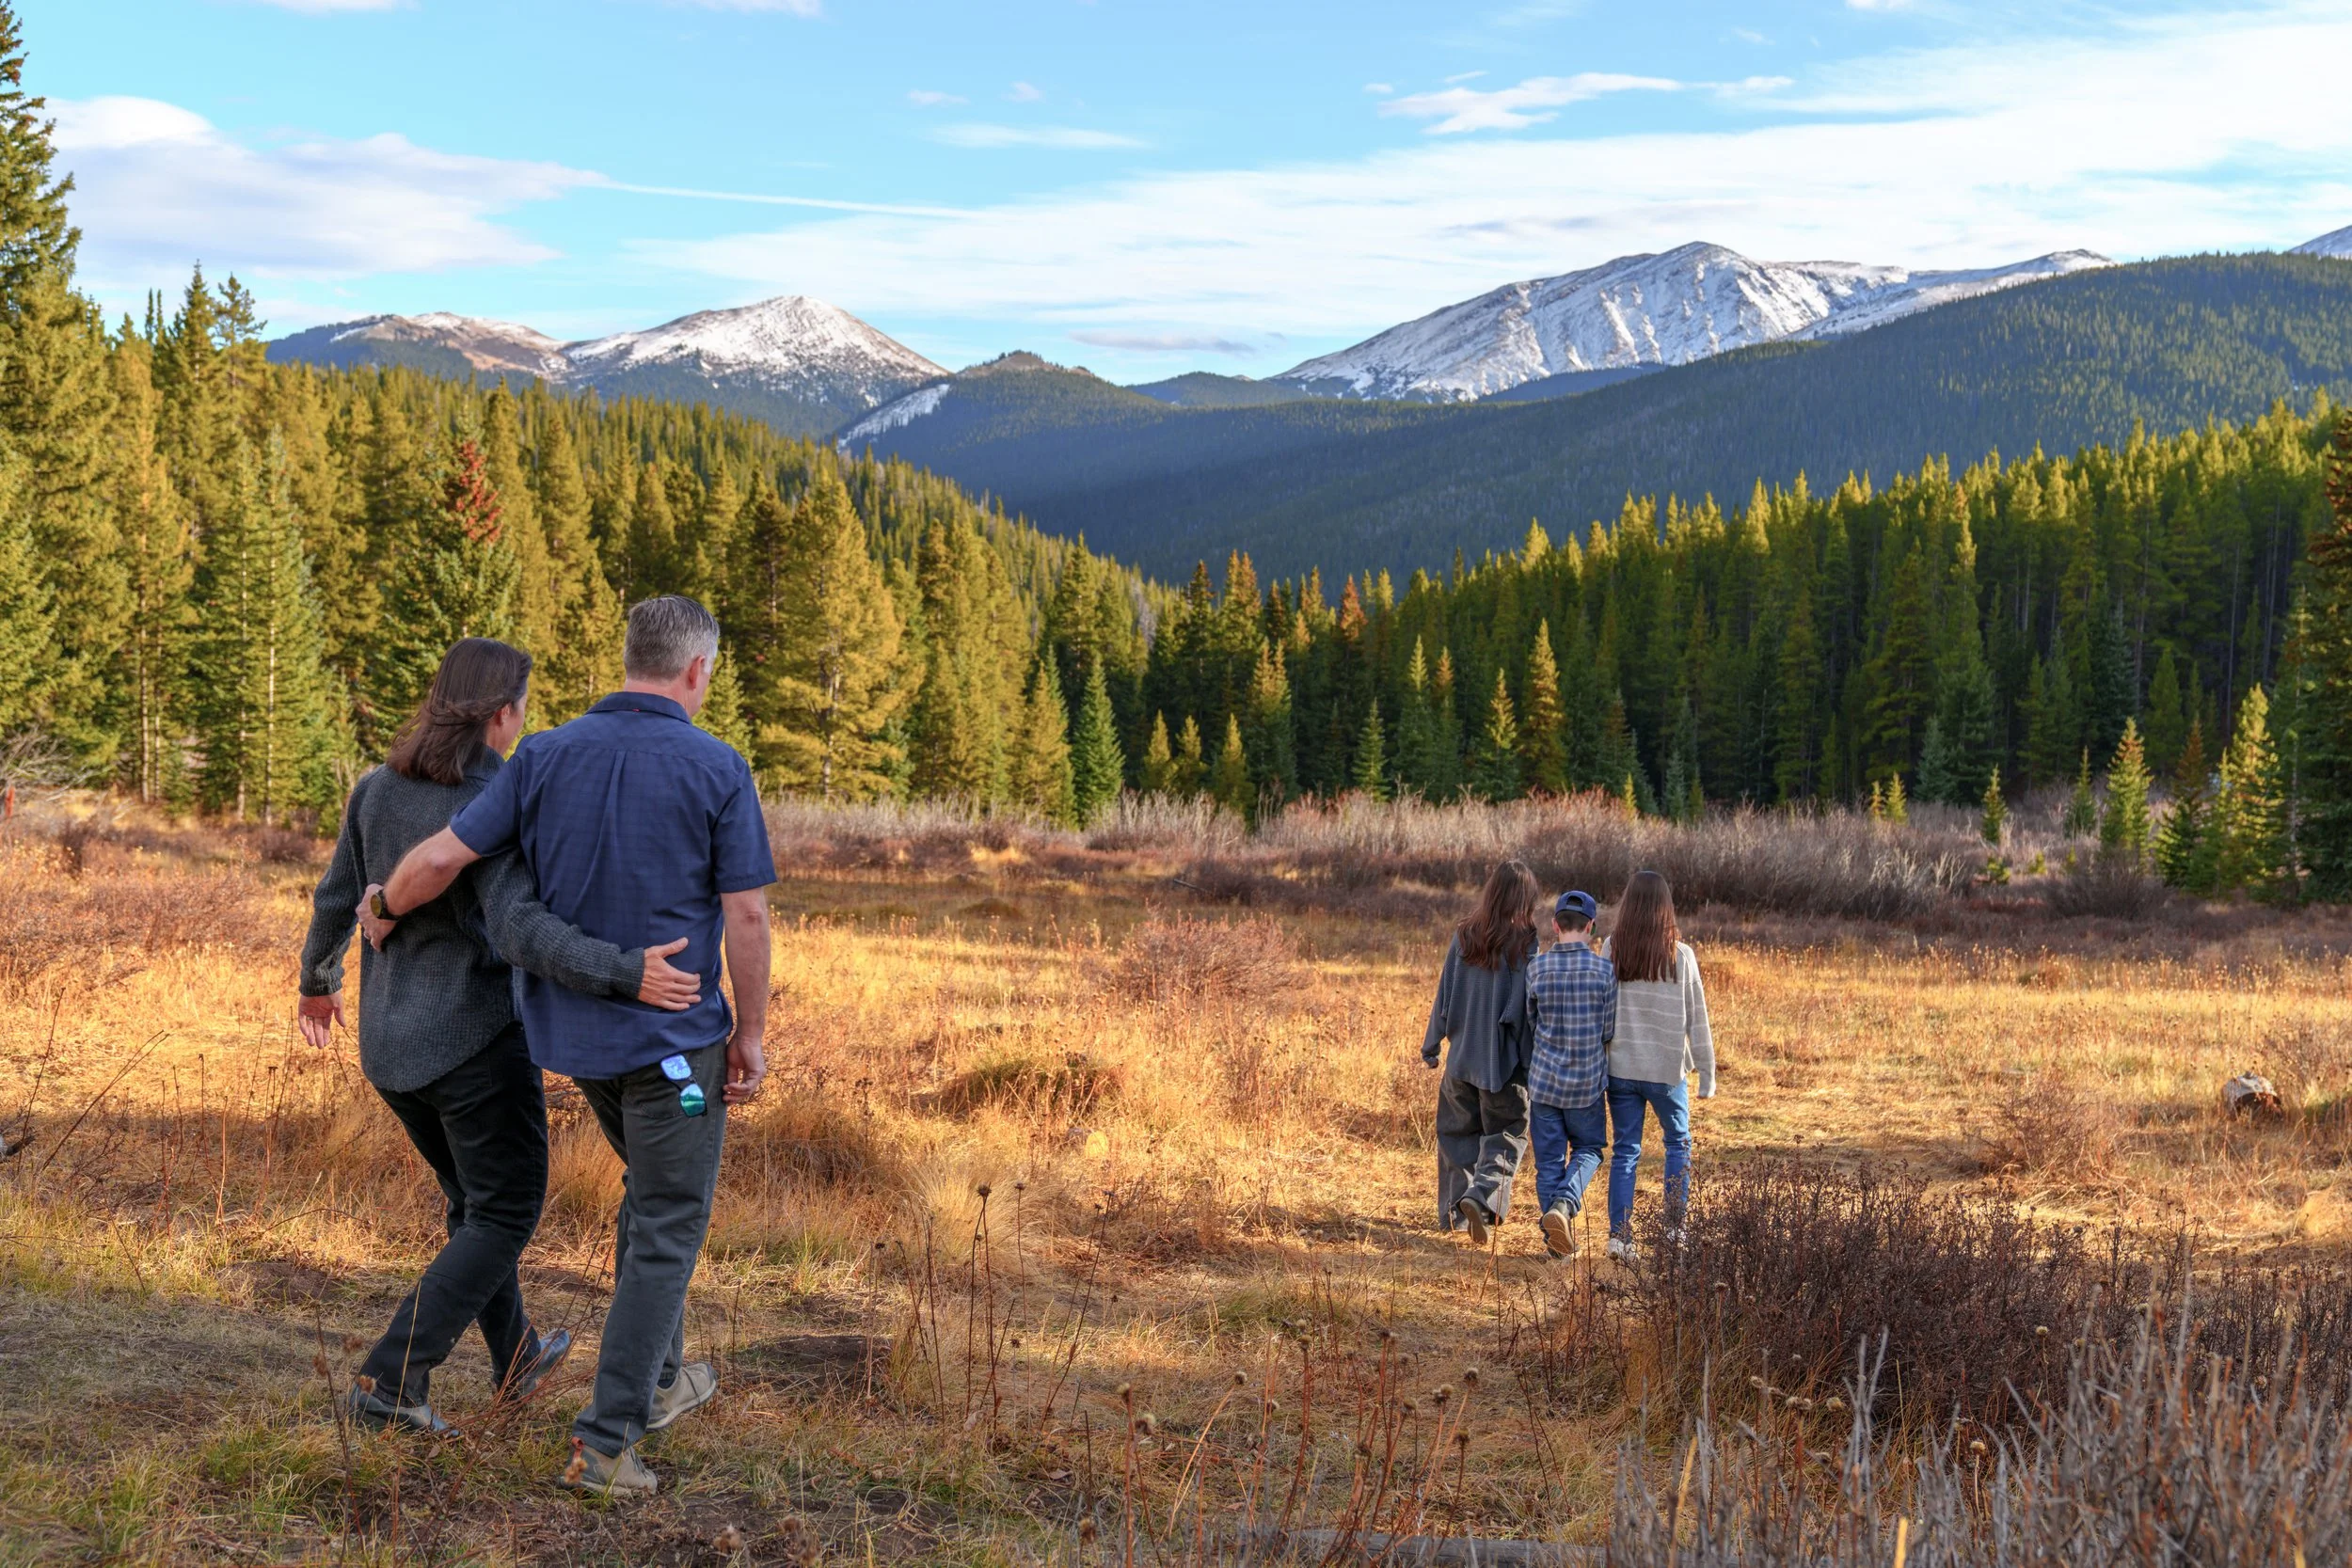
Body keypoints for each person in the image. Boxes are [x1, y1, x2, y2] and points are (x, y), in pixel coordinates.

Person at [373, 595, 773, 1497]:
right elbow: (746, 911)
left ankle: (663, 1380)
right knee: (670, 1224)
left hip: (577, 1044)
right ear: (697, 670)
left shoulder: (545, 753)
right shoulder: (717, 766)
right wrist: (750, 1031)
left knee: (651, 1195)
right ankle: (606, 1441)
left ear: (630, 655)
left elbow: (441, 857)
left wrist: (382, 907)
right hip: (674, 1045)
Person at [297, 637, 703, 1434]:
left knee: (473, 1203)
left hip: (387, 1047)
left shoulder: (377, 788)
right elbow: (518, 927)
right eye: (522, 705)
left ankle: (515, 1357)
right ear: (503, 711)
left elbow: (336, 895)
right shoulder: (497, 798)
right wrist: (626, 972)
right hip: (472, 1044)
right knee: (506, 1209)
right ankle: (392, 1376)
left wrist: (318, 981)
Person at [1421, 859, 1539, 1244]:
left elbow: (1445, 993)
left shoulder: (1465, 935)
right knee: (1507, 1135)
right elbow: (1522, 1009)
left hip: (1460, 1062)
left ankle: (1456, 1215)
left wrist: (1432, 1043)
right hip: (1502, 1065)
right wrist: (1531, 1061)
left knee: (1456, 1136)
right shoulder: (1525, 943)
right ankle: (1482, 1197)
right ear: (1526, 899)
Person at [1599, 869, 1715, 1263]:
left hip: (1622, 1069)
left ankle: (1620, 1238)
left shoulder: (1613, 948)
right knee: (1678, 1144)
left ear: (1628, 904)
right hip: (1667, 1072)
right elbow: (1696, 1018)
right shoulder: (1681, 955)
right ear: (1666, 907)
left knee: (1626, 1150)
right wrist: (1707, 1073)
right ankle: (1674, 1229)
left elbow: (1603, 1012)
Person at [1522, 890, 1615, 1259]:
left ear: (1555, 925)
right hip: (1586, 1086)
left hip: (1544, 1083)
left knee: (1548, 1163)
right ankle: (1564, 1203)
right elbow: (1608, 1030)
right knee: (1590, 1150)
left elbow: (1532, 1023)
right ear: (1591, 927)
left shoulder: (1537, 969)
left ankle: (1556, 1248)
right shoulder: (1603, 971)